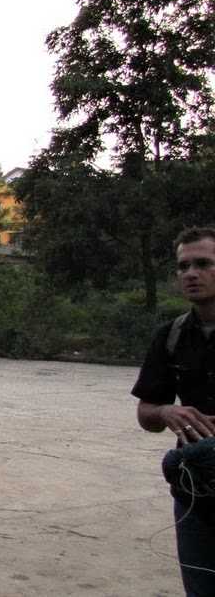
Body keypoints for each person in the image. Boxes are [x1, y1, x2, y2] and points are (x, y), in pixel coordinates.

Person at [131, 226, 215, 595]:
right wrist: (166, 412)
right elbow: (146, 413)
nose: (191, 274)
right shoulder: (171, 335)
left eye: (203, 264)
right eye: (184, 266)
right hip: (195, 494)